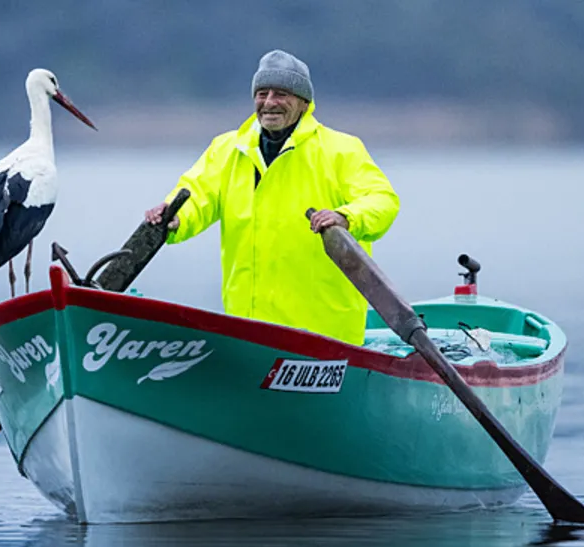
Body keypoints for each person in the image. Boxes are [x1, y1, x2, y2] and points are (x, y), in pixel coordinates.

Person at [145, 49, 399, 345]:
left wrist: (346, 217)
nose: (269, 103)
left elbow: (382, 200)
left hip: (326, 336)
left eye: (281, 94)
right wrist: (175, 216)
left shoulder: (341, 150)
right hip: (248, 332)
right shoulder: (227, 149)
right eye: (262, 93)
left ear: (304, 102)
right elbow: (198, 195)